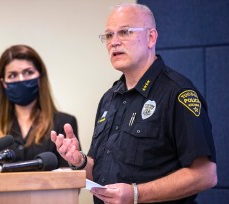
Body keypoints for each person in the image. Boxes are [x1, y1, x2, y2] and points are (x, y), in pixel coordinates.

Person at [51, 3, 217, 204]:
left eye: (125, 32)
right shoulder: (109, 98)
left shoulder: (178, 93)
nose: (114, 42)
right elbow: (104, 175)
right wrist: (80, 162)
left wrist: (136, 194)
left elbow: (205, 175)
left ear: (151, 37)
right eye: (109, 36)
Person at [0, 44, 79, 167]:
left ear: (40, 77)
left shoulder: (64, 122)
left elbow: (72, 174)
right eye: (12, 75)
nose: (21, 79)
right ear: (3, 83)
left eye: (28, 72)